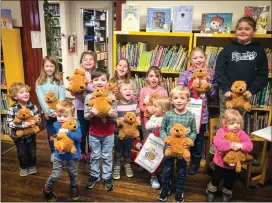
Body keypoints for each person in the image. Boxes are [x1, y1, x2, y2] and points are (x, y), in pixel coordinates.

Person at [215, 16, 268, 121]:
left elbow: (262, 75)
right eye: (240, 29)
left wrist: (252, 90)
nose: (243, 31)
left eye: (247, 29)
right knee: (225, 120)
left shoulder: (259, 52)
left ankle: (237, 138)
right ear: (236, 31)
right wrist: (225, 89)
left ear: (254, 31)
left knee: (238, 121)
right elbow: (219, 71)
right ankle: (222, 138)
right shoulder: (227, 50)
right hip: (228, 93)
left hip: (245, 94)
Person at [177, 47, 217, 175]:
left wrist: (209, 86)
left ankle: (195, 163)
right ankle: (182, 161)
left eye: (201, 57)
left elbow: (214, 96)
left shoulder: (210, 74)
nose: (198, 60)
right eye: (195, 58)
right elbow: (178, 92)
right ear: (191, 60)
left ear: (205, 58)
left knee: (198, 140)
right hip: (186, 112)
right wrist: (191, 86)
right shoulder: (185, 74)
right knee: (184, 137)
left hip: (202, 115)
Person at [158, 86, 197, 202]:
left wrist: (189, 142)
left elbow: (194, 131)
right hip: (169, 148)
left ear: (188, 101)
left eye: (182, 98)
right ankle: (165, 188)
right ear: (171, 100)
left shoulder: (190, 116)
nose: (179, 100)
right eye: (176, 98)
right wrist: (166, 140)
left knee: (182, 170)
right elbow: (162, 129)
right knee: (167, 169)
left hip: (183, 150)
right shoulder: (168, 114)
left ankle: (180, 190)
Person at [206, 109, 253, 202]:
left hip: (234, 164)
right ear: (225, 123)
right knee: (216, 178)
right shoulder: (221, 131)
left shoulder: (241, 133)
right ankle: (211, 190)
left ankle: (227, 193)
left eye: (238, 123)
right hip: (220, 162)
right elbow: (217, 143)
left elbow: (249, 145)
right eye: (232, 123)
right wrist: (230, 145)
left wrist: (241, 146)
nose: (236, 125)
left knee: (230, 180)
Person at [84, 67, 117, 191]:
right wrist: (91, 114)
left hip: (108, 133)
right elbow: (85, 117)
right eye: (96, 79)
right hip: (94, 133)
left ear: (107, 82)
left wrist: (112, 115)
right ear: (92, 82)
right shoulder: (89, 98)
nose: (99, 82)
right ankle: (94, 175)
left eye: (103, 79)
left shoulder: (111, 97)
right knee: (95, 155)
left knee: (107, 156)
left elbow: (115, 116)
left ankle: (107, 176)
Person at [43, 100, 82, 202]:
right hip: (59, 155)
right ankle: (47, 189)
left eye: (65, 116)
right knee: (55, 175)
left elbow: (78, 137)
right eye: (59, 115)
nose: (61, 118)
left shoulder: (76, 123)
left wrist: (68, 131)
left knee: (73, 173)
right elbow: (57, 138)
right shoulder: (56, 124)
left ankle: (74, 187)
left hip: (73, 155)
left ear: (72, 116)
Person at [6, 82, 40, 177]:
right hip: (18, 137)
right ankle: (23, 167)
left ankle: (32, 165)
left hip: (31, 135)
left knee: (32, 152)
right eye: (22, 92)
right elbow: (9, 123)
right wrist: (24, 124)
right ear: (15, 96)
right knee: (22, 153)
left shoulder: (33, 106)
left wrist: (36, 122)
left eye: (26, 91)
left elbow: (38, 118)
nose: (26, 93)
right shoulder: (12, 109)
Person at [36, 56, 65, 162]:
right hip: (48, 114)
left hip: (60, 114)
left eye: (51, 66)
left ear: (55, 67)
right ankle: (53, 152)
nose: (49, 68)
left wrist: (58, 112)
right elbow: (41, 100)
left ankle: (62, 151)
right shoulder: (39, 82)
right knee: (51, 134)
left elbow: (62, 98)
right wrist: (49, 112)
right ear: (43, 67)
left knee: (61, 132)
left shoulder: (59, 81)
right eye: (47, 66)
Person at [112, 82, 141, 180]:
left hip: (130, 134)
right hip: (118, 133)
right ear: (119, 92)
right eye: (125, 89)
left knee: (128, 150)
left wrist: (138, 121)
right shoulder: (116, 104)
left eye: (130, 89)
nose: (128, 91)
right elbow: (114, 117)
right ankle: (116, 165)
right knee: (117, 151)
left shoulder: (135, 104)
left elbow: (137, 116)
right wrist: (117, 122)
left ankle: (127, 164)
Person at [74, 51, 96, 163]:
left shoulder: (96, 75)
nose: (88, 61)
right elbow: (74, 90)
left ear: (94, 62)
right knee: (82, 131)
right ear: (81, 62)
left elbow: (96, 89)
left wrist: (87, 85)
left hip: (93, 108)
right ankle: (81, 152)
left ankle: (91, 152)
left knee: (91, 131)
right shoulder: (77, 74)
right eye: (85, 59)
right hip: (81, 107)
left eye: (90, 59)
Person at [145, 96, 172, 189]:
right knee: (153, 159)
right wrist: (155, 125)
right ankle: (153, 176)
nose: (153, 108)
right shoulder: (154, 117)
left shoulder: (169, 118)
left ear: (164, 110)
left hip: (165, 144)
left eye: (156, 106)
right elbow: (147, 126)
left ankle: (163, 175)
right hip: (154, 143)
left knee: (164, 161)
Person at [139, 66, 168, 139]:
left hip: (159, 122)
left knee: (158, 141)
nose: (154, 78)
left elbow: (166, 107)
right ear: (147, 78)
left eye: (157, 76)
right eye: (151, 76)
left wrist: (156, 110)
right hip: (146, 121)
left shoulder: (163, 91)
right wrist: (147, 109)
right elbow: (141, 106)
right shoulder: (143, 90)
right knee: (147, 140)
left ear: (160, 78)